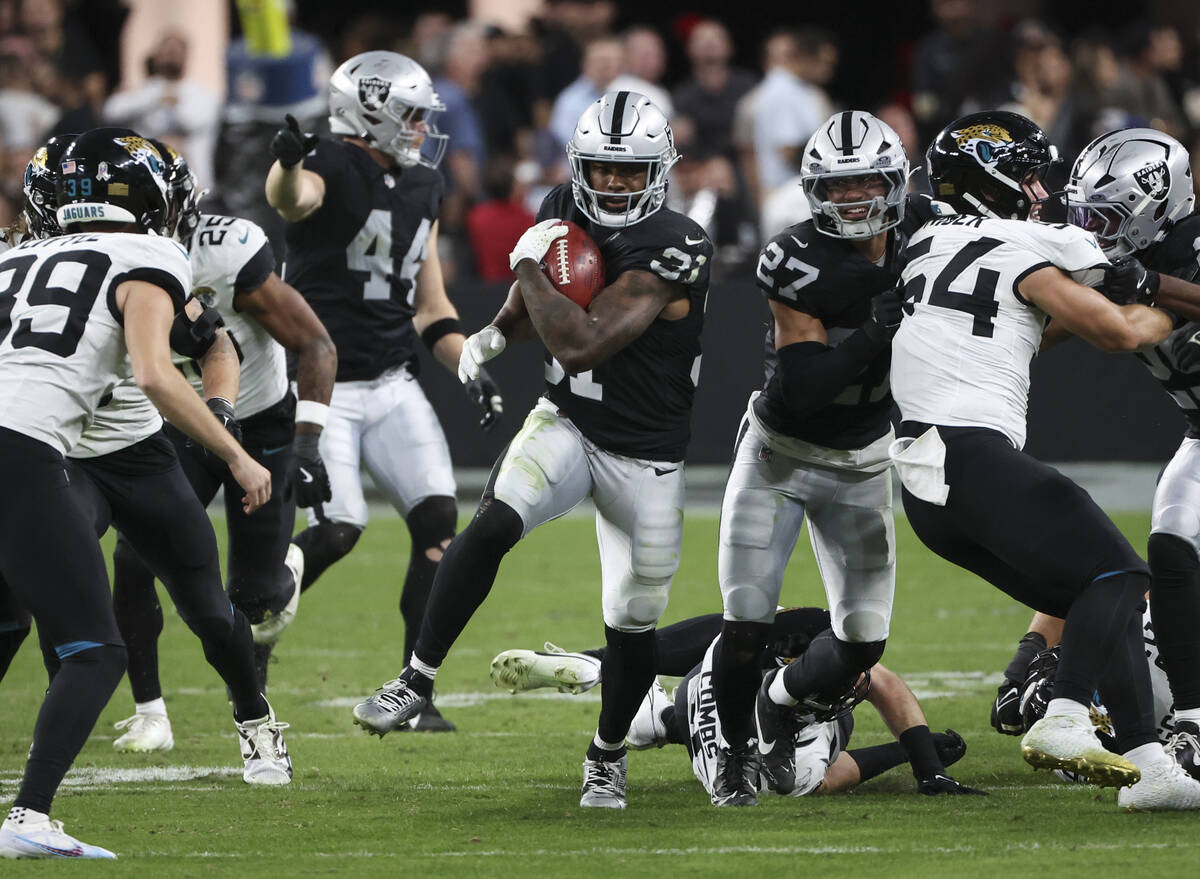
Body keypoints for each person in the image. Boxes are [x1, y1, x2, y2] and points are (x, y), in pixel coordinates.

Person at [351, 90, 713, 811]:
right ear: (579, 166)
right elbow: (542, 300)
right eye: (602, 168)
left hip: (646, 456)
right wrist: (495, 331)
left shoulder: (677, 245)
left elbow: (581, 340)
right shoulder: (561, 206)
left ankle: (607, 754)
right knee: (491, 522)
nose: (614, 183)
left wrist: (525, 265)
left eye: (630, 170)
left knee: (632, 618)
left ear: (659, 172)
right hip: (569, 421)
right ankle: (416, 678)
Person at [888, 110, 1198, 811]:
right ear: (990, 183)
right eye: (1027, 176)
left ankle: (1150, 767)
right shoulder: (1029, 239)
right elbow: (1117, 329)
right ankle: (1065, 713)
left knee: (1092, 598)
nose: (1040, 191)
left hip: (922, 482)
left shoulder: (926, 240)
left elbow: (1034, 328)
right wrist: (1163, 304)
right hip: (970, 454)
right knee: (1123, 574)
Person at [0, 128, 270, 859]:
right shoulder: (150, 254)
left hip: (95, 449)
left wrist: (218, 411)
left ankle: (255, 718)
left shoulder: (15, 256)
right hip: (33, 449)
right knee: (95, 649)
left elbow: (209, 347)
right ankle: (29, 817)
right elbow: (154, 373)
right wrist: (236, 455)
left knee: (11, 620)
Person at [710, 111, 942, 808]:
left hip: (864, 456)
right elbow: (805, 388)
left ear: (895, 181)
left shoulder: (932, 229)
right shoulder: (795, 257)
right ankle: (734, 756)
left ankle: (782, 699)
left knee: (864, 642)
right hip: (780, 453)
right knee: (746, 623)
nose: (851, 198)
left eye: (864, 182)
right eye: (838, 186)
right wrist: (875, 329)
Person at [265, 51, 502, 732]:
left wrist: (469, 366)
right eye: (414, 115)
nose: (424, 128)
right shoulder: (329, 163)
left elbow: (431, 307)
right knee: (338, 528)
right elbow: (292, 198)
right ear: (371, 112)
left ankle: (413, 693)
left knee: (438, 523)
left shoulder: (423, 184)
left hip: (393, 380)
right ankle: (255, 616)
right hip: (324, 386)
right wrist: (286, 163)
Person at [103, 139, 337, 747]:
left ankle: (286, 571)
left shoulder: (225, 251)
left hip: (259, 420)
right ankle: (151, 712)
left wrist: (307, 444)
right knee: (133, 558)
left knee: (254, 598)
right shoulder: (107, 259)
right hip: (183, 423)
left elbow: (315, 343)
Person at [1002, 128, 1200, 778]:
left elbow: (1145, 302)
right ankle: (1191, 724)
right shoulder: (1120, 263)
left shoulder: (1183, 248)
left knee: (1173, 549)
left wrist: (1150, 282)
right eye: (1087, 215)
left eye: (1107, 218)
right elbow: (1054, 329)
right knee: (1169, 548)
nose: (1093, 231)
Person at [490, 607, 979, 799]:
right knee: (781, 780)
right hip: (726, 702)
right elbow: (835, 774)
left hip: (728, 665)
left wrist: (924, 759)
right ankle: (657, 716)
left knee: (738, 632)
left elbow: (881, 683)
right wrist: (911, 755)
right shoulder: (797, 734)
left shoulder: (805, 653)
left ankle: (607, 668)